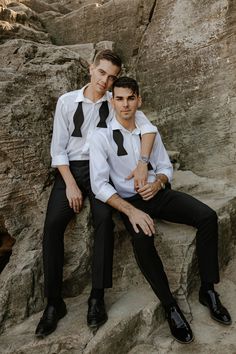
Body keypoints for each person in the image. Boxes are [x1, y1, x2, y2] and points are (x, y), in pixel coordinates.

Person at [89, 76, 232, 344]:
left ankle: (208, 289)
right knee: (143, 240)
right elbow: (99, 185)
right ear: (112, 101)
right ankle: (170, 307)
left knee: (208, 217)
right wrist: (130, 211)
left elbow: (165, 167)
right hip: (127, 201)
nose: (125, 104)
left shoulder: (147, 130)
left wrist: (158, 183)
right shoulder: (101, 137)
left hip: (155, 193)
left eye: (131, 98)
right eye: (119, 98)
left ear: (139, 100)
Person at [35, 51, 157, 338]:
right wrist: (71, 184)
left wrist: (142, 163)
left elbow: (147, 127)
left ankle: (97, 297)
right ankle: (54, 303)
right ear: (91, 69)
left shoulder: (116, 102)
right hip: (72, 171)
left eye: (112, 76)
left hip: (104, 169)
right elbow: (58, 149)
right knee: (53, 225)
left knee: (103, 220)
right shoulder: (66, 102)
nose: (106, 80)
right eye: (102, 73)